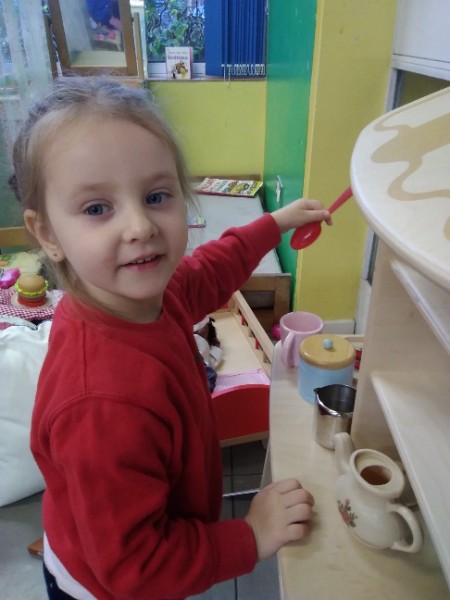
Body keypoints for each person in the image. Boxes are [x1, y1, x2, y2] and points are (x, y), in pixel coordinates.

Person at [11, 76, 331, 600]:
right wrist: (250, 536)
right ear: (47, 233)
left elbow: (206, 271)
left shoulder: (140, 297)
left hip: (110, 543)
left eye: (156, 196)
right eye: (97, 208)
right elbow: (137, 569)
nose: (140, 225)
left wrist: (273, 224)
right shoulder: (103, 404)